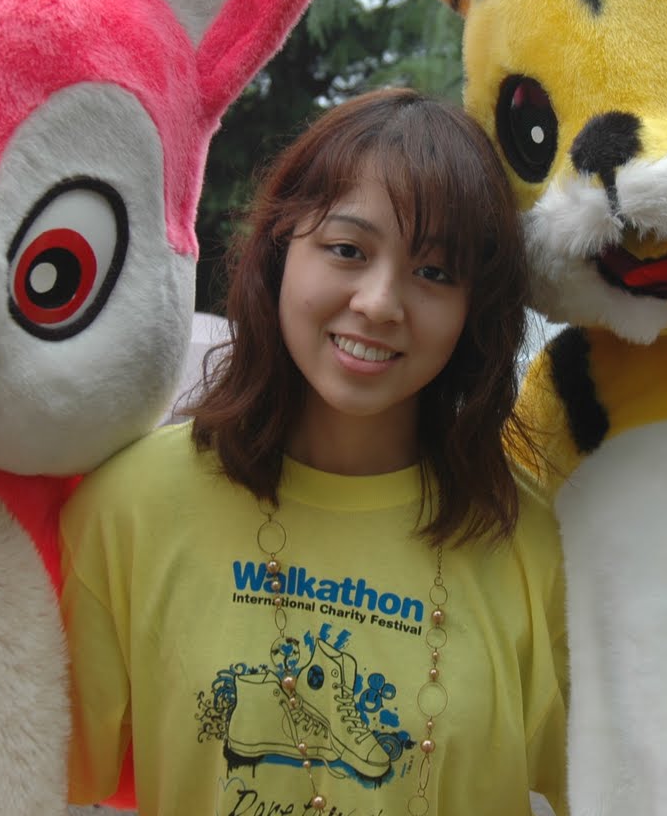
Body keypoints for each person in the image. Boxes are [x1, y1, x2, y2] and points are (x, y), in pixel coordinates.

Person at [62, 88, 568, 815]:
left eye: (434, 272)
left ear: (473, 308)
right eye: (347, 250)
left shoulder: (531, 542)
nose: (379, 302)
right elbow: (29, 782)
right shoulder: (129, 509)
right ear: (280, 250)